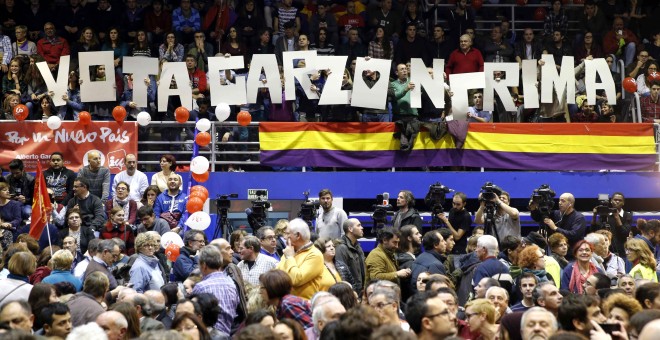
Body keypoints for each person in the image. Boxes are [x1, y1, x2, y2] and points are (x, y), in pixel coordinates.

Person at [192, 245, 239, 336]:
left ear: (204, 266)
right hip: (229, 334)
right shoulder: (231, 283)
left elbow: (193, 314)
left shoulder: (201, 287)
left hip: (209, 335)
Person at [276, 218, 324, 300]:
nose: (285, 237)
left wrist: (290, 258)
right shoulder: (290, 250)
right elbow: (277, 275)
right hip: (284, 303)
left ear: (298, 235)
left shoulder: (315, 254)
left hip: (302, 307)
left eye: (288, 234)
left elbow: (296, 279)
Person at [334, 218, 365, 295]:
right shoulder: (341, 248)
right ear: (350, 229)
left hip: (360, 291)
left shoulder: (358, 247)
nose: (362, 228)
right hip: (349, 293)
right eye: (359, 225)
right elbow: (342, 274)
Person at [0, 182, 21, 246]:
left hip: (12, 230)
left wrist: (10, 224)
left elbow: (18, 219)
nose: (8, 192)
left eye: (8, 190)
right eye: (4, 190)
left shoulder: (15, 204)